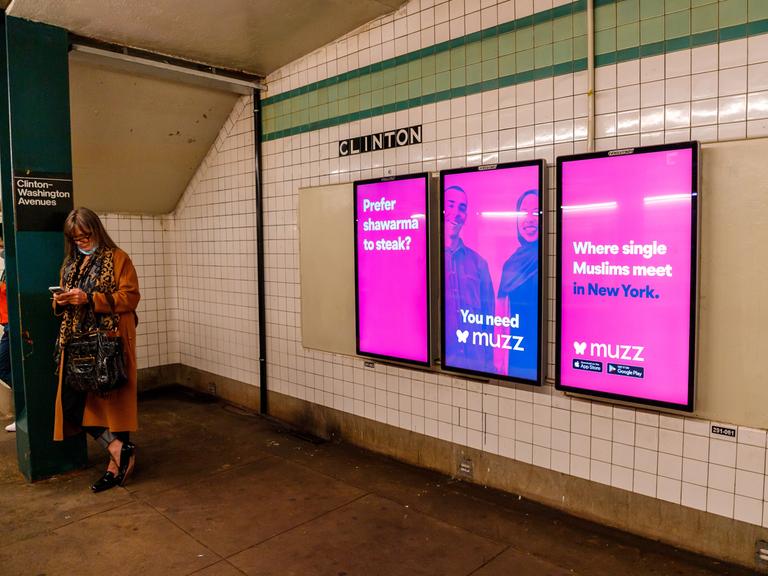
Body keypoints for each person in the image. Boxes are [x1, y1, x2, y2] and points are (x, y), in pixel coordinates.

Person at [52, 208, 140, 492]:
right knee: (70, 405)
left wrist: (89, 298)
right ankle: (118, 449)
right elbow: (63, 303)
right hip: (76, 344)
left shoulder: (118, 259)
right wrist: (61, 301)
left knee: (114, 405)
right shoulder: (70, 264)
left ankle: (115, 467)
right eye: (76, 239)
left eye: (86, 236)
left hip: (109, 343)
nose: (82, 242)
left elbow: (130, 297)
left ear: (97, 232)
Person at [443, 185, 495, 373]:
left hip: (477, 362)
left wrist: (489, 363)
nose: (456, 213)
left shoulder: (480, 263)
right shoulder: (426, 261)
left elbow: (489, 319)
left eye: (462, 208)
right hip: (443, 361)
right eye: (450, 205)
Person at [496, 189, 539, 380]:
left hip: (540, 353)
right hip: (515, 353)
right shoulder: (511, 263)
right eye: (523, 213)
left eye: (537, 212)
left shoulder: (551, 258)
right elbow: (501, 318)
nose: (529, 219)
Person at [0, 226, 15, 433]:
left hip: (14, 323)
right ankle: (25, 409)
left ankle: (27, 404)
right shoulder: (5, 263)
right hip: (7, 323)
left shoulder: (11, 260)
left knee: (2, 365)